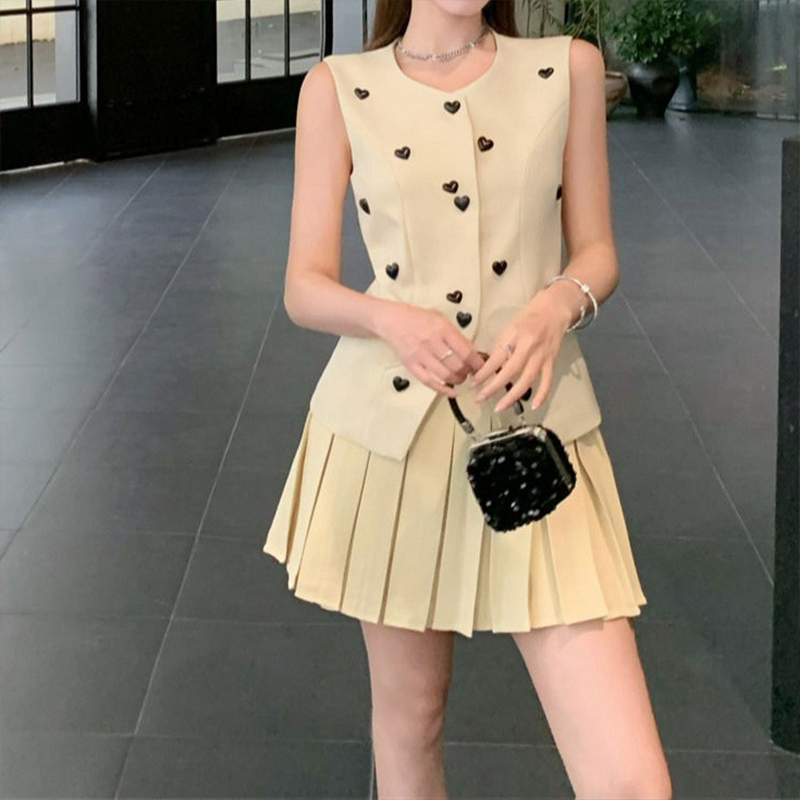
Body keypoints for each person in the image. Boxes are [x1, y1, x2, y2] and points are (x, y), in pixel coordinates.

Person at [263, 1, 673, 797]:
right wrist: (390, 318)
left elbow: (597, 252)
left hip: (541, 435)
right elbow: (303, 287)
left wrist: (555, 307)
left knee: (630, 780)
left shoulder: (567, 68)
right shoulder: (338, 87)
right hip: (392, 441)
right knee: (410, 723)